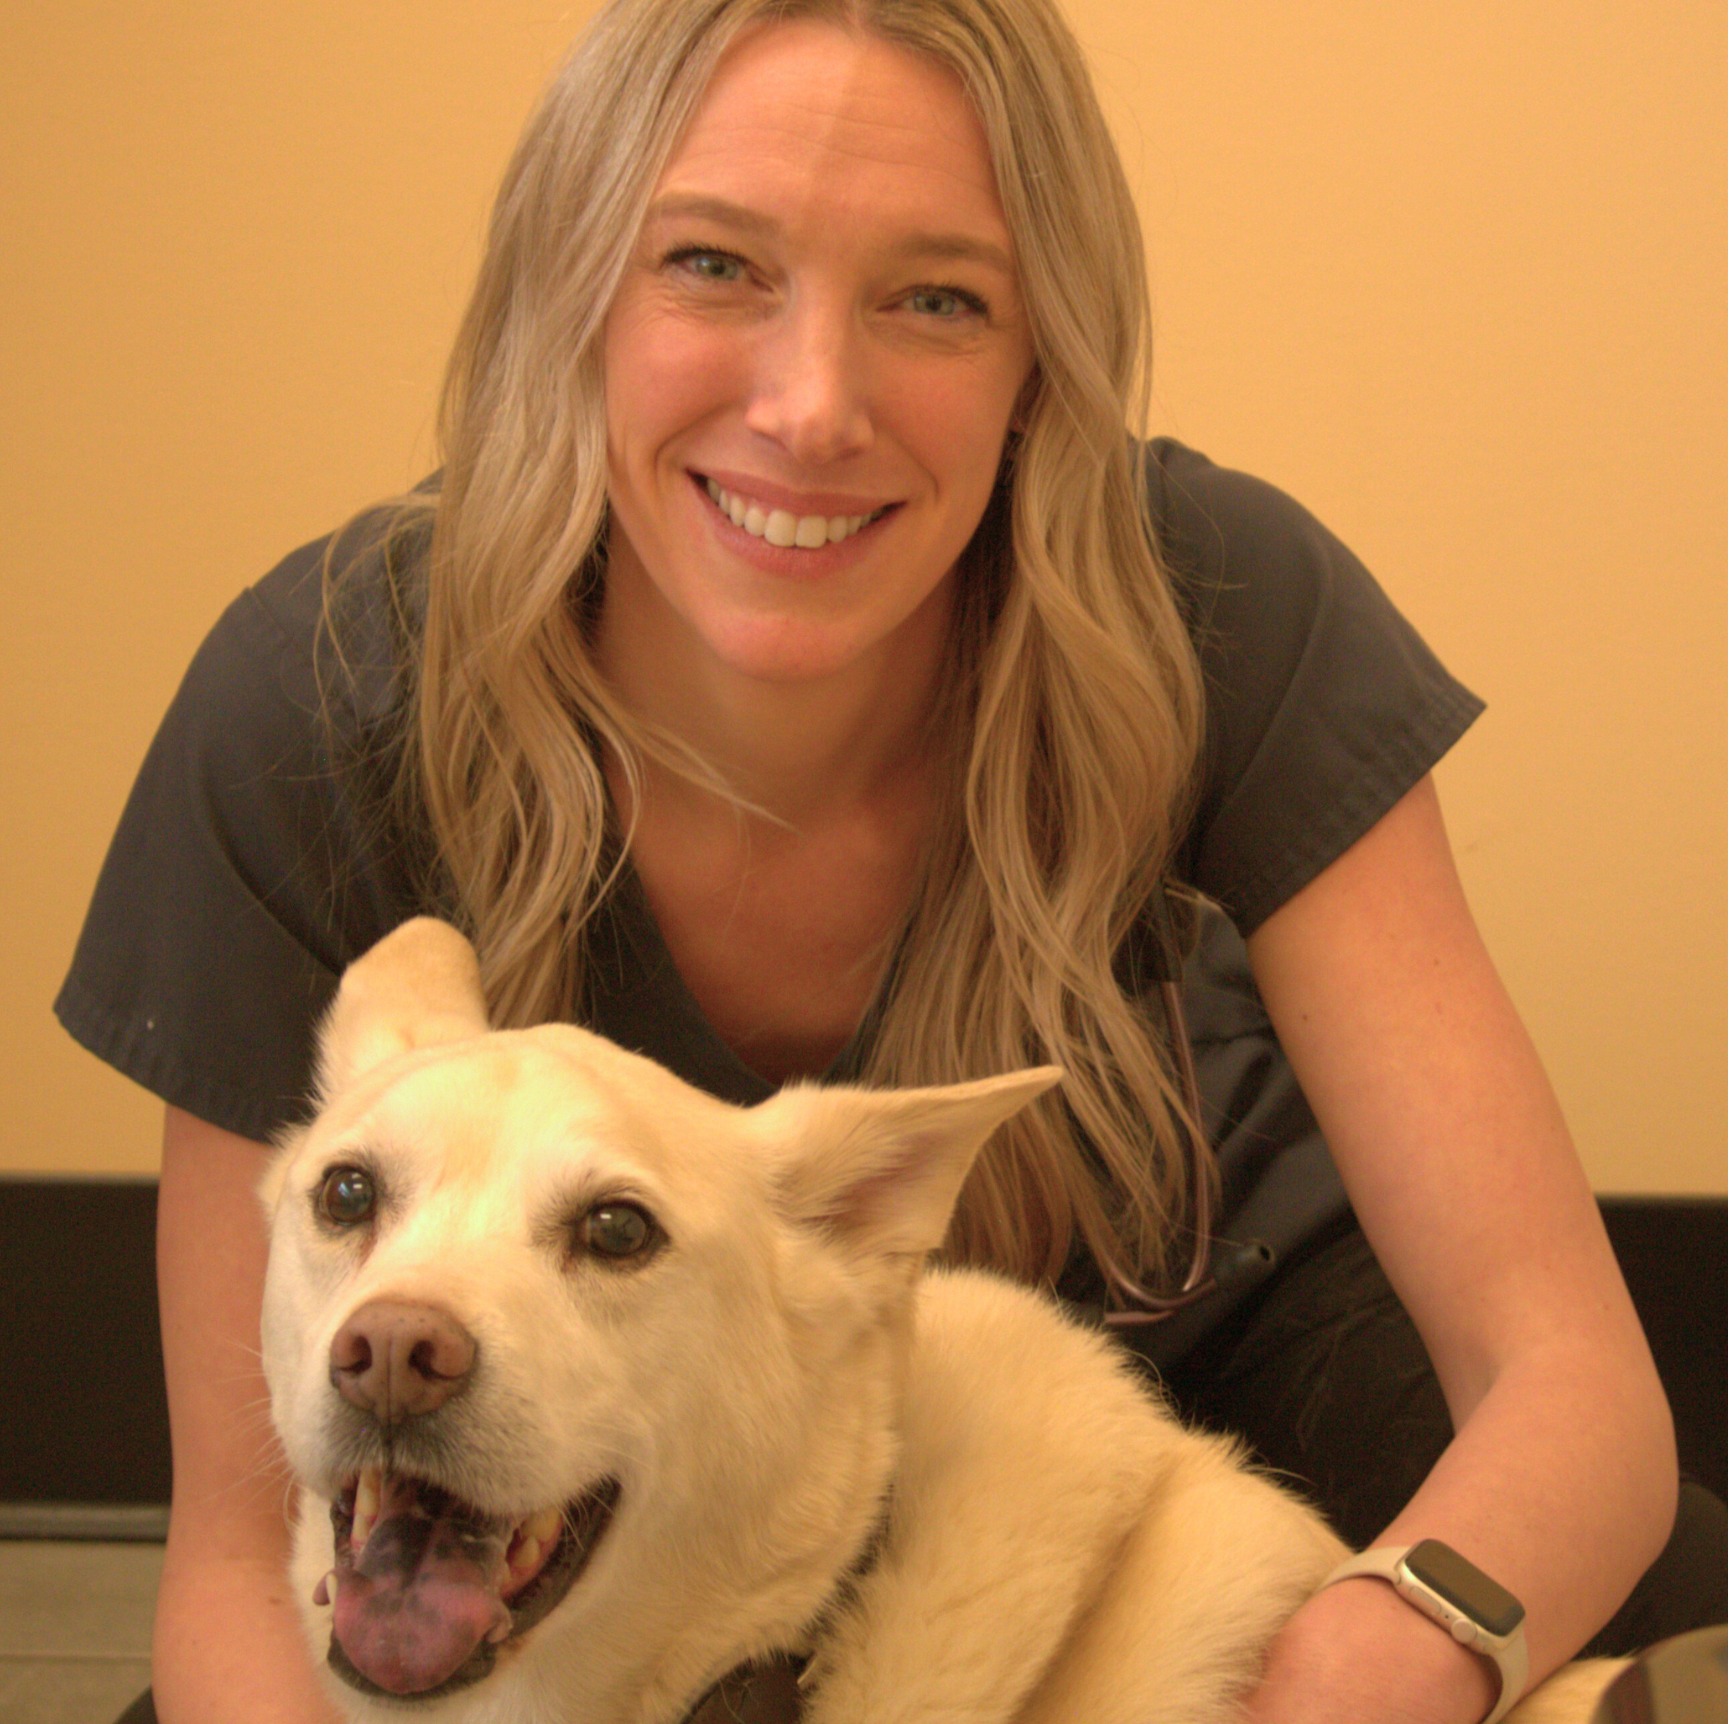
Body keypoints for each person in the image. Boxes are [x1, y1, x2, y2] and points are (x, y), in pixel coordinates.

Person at [57, 1, 1716, 1720]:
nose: (811, 405)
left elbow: (1568, 1386)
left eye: (937, 299)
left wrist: (1373, 1659)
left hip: (1234, 1379)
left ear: (1038, 363)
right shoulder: (324, 696)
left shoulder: (1220, 604)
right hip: (623, 1525)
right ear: (569, 302)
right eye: (709, 264)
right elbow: (243, 1561)